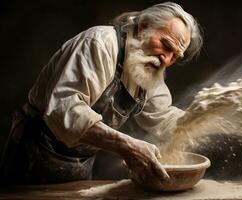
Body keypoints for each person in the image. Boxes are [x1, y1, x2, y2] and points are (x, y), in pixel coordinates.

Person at [0, 2, 202, 184]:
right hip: (32, 158)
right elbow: (63, 111)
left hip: (78, 167)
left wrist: (210, 116)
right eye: (166, 45)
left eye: (175, 55)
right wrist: (127, 146)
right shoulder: (100, 43)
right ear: (144, 27)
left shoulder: (149, 67)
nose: (166, 60)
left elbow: (162, 118)